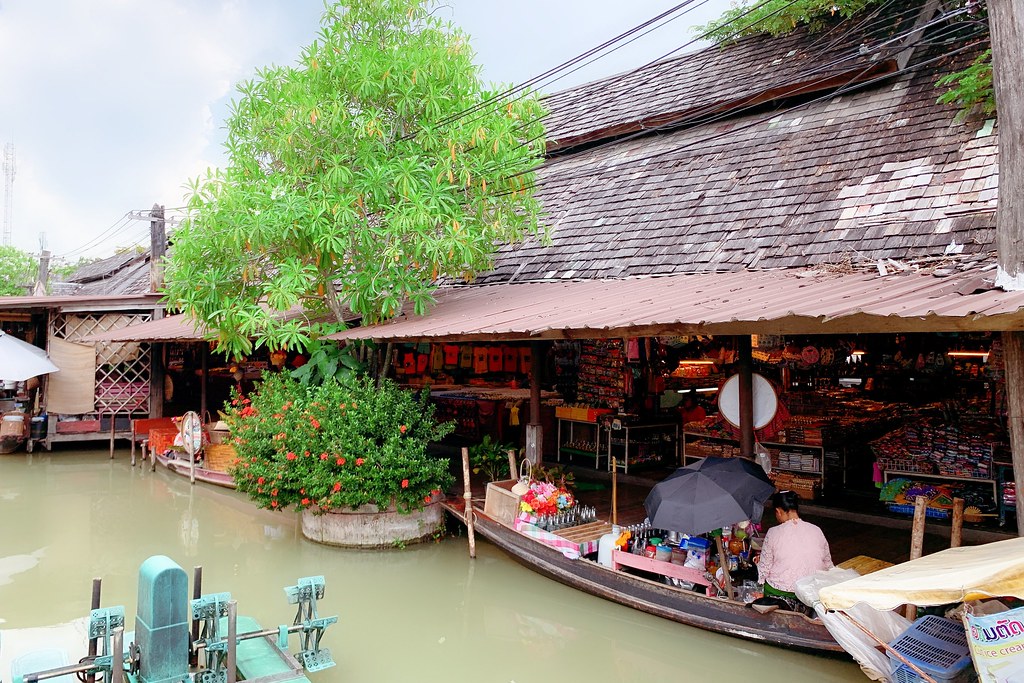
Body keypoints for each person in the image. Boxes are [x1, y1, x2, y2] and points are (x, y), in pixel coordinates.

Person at [756, 491, 833, 601]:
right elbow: (828, 563)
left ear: (778, 511)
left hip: (783, 591)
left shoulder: (773, 532)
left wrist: (760, 585)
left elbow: (764, 568)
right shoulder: (816, 529)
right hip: (813, 589)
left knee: (767, 582)